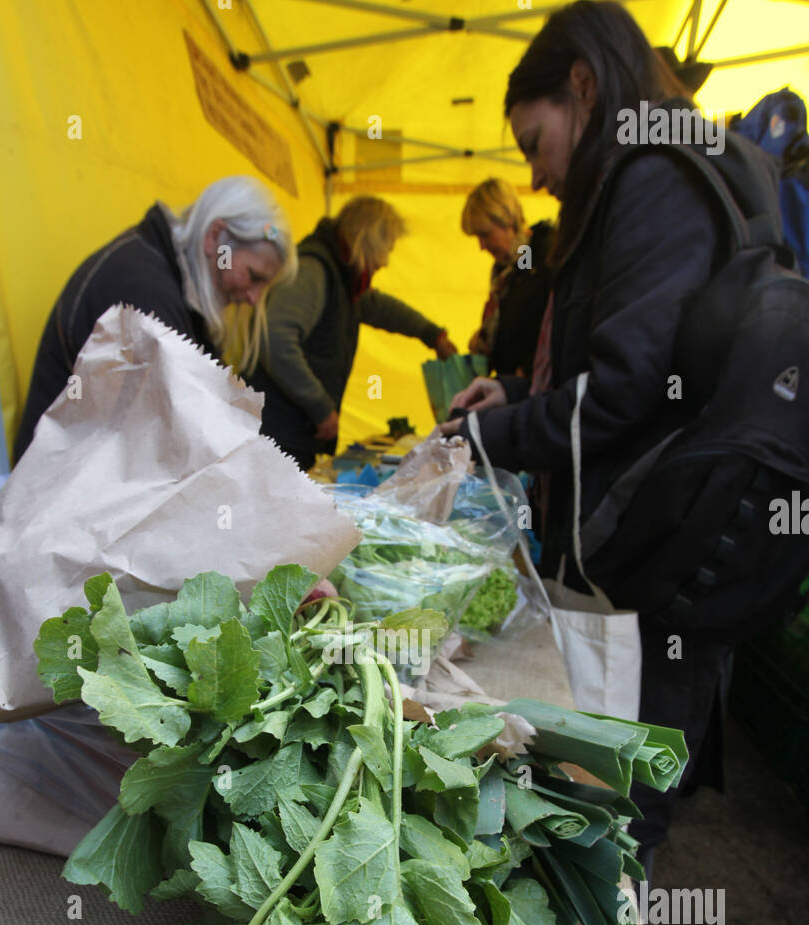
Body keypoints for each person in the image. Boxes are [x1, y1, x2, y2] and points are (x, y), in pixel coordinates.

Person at [443, 0, 783, 873]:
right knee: (607, 795)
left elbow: (625, 392)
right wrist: (516, 391)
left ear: (583, 90)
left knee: (621, 820)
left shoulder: (654, 178)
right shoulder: (647, 175)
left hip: (661, 573)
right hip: (653, 564)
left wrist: (493, 436)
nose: (539, 176)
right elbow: (630, 364)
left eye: (534, 143)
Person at [13, 176, 297, 462]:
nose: (254, 298)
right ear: (214, 238)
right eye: (254, 276)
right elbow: (166, 435)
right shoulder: (144, 293)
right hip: (60, 485)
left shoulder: (175, 284)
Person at [245, 196, 458, 469]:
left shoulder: (345, 280)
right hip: (276, 434)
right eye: (385, 251)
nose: (384, 263)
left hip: (294, 435)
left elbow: (381, 308)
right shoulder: (314, 271)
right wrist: (320, 406)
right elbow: (274, 339)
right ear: (367, 240)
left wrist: (431, 334)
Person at [462, 178, 554, 378]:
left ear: (506, 219)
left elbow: (555, 329)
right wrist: (485, 342)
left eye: (485, 234)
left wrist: (526, 371)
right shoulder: (506, 271)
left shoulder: (545, 256)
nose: (482, 246)